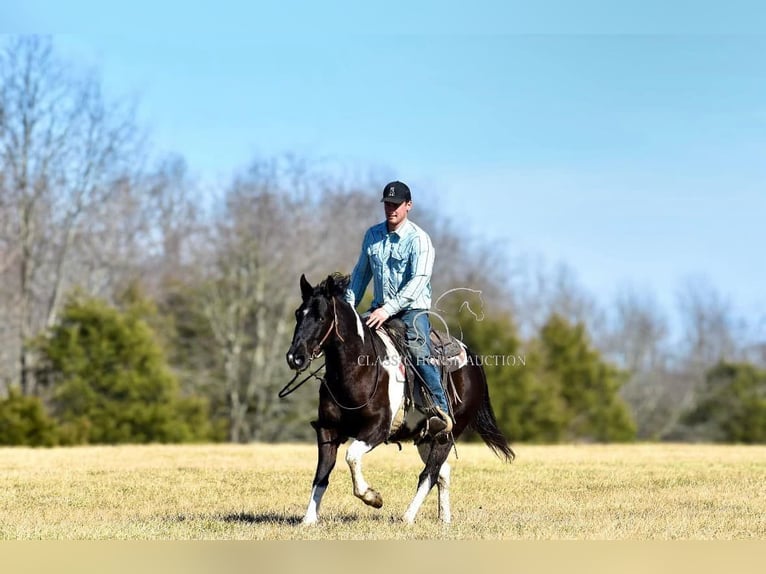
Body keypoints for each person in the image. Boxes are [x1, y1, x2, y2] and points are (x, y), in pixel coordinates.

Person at [344, 180, 453, 435]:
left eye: (396, 204)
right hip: (378, 309)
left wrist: (388, 310)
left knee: (419, 352)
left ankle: (440, 410)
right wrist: (348, 310)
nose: (391, 208)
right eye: (387, 204)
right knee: (347, 344)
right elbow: (361, 274)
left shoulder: (420, 240)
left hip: (412, 311)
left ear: (408, 206)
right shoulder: (372, 236)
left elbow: (418, 282)